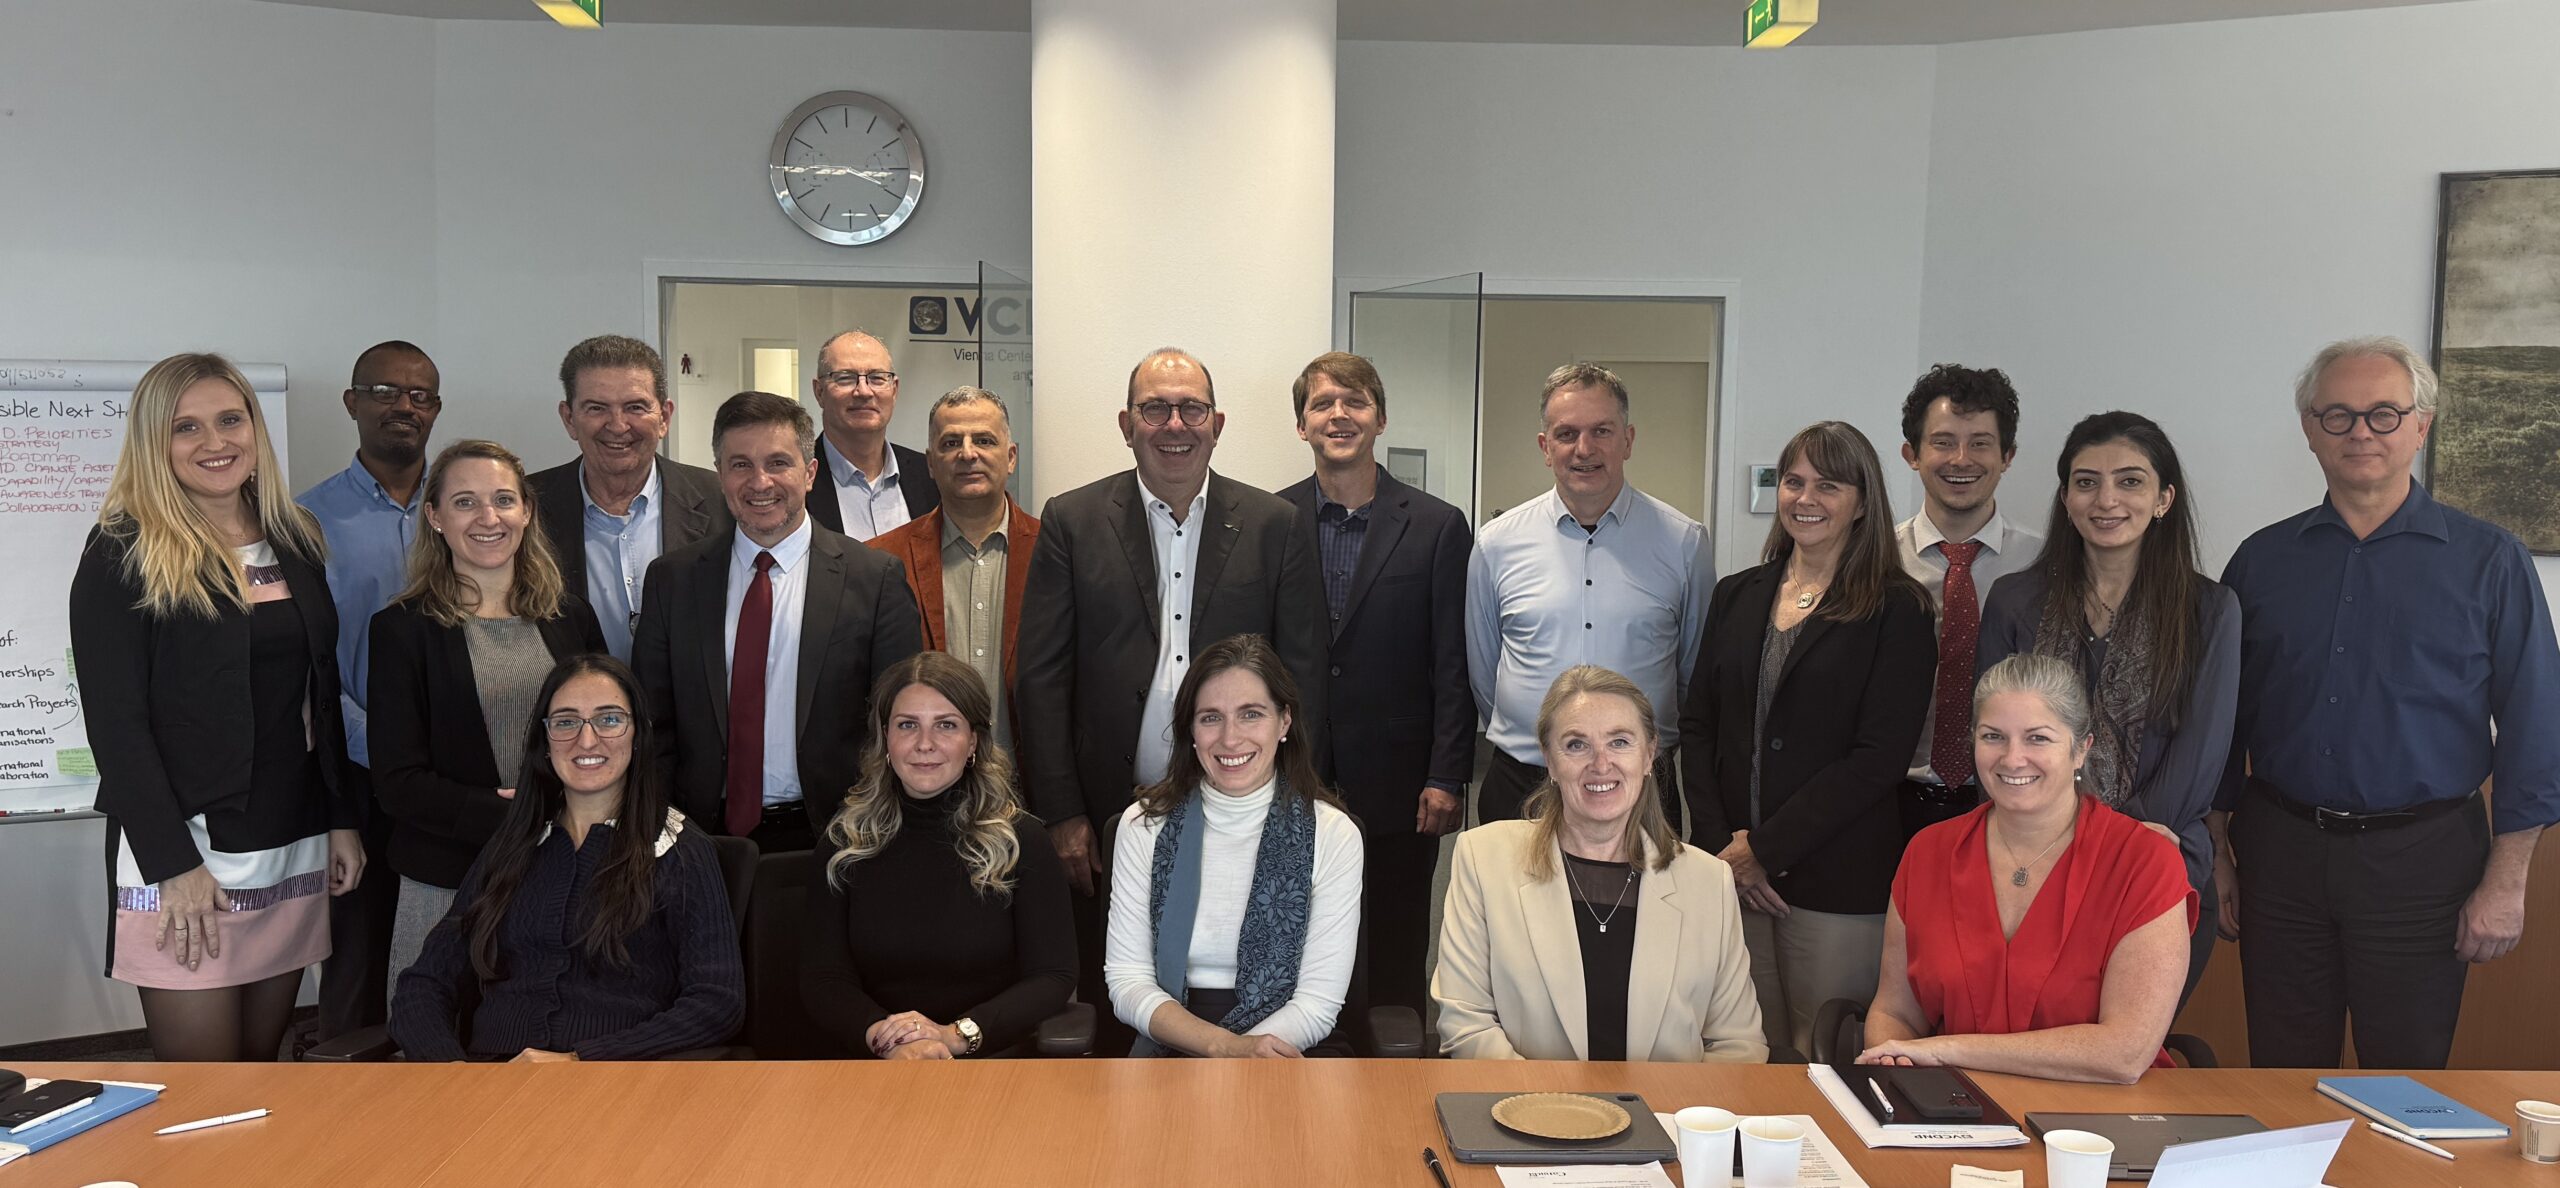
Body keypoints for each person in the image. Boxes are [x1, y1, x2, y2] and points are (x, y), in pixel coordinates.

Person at [2213, 336, 2560, 1070]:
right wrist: (2215, 847)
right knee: (2281, 1072)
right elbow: (2222, 720)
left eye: (2384, 413)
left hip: (2424, 864)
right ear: (2310, 430)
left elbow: (2537, 724)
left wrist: (2508, 880)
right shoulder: (2260, 562)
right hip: (2280, 856)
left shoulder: (2490, 561)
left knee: (2403, 1083)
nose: (2361, 432)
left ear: (2421, 425)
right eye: (2337, 415)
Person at [1015, 347, 1330, 1050]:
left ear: (1217, 423)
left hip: (1242, 798)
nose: (1175, 424)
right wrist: (1061, 812)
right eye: (1155, 408)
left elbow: (1300, 674)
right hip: (1106, 803)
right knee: (1118, 991)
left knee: (1248, 969)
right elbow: (1041, 676)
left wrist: (1300, 795)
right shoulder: (1072, 519)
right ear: (1127, 424)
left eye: (1191, 408)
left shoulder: (1274, 523)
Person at [71, 352, 366, 1060]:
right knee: (204, 1086)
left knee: (261, 1070)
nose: (215, 442)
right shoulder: (123, 551)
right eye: (187, 427)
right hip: (187, 844)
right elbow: (116, 725)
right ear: (155, 442)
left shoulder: (294, 536)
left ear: (254, 427)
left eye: (231, 420)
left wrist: (340, 818)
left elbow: (319, 693)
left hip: (291, 836)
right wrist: (173, 864)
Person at [1681, 421, 1935, 1058]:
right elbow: (1699, 726)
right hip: (1730, 875)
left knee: (1827, 1053)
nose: (1806, 498)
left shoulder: (1897, 608)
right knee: (1742, 1049)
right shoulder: (1737, 594)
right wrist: (1722, 849)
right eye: (1794, 482)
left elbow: (1879, 758)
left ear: (1862, 502)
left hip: (1835, 881)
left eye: (1829, 485)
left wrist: (1766, 850)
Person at [1978, 412, 2237, 1008]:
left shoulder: (2210, 610)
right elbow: (1993, 739)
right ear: (2065, 497)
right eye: (2086, 482)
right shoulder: (2015, 601)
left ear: (2164, 498)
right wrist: (2057, 846)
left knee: (2125, 1049)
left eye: (2130, 481)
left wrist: (2109, 850)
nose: (2106, 500)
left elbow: (2199, 759)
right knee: (2025, 1040)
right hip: (2027, 871)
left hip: (2158, 864)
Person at [1859, 654, 2196, 1084]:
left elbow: (2124, 1054)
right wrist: (1899, 1071)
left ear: (2081, 750)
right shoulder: (1928, 852)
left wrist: (1947, 1051)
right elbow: (1895, 1012)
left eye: (2037, 738)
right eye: (1993, 736)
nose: (2013, 758)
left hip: (2100, 1115)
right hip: (1955, 1107)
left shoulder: (2145, 862)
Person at [390, 655, 744, 1061]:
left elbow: (717, 1002)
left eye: (609, 719)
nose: (587, 740)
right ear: (545, 741)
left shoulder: (680, 849)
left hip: (617, 1082)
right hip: (492, 1082)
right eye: (566, 722)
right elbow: (424, 983)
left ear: (638, 735)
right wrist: (453, 1073)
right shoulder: (511, 844)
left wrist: (579, 1061)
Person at [632, 390, 923, 852]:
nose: (759, 482)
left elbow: (899, 719)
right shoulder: (673, 581)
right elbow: (652, 723)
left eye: (778, 463)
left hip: (833, 837)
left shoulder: (874, 579)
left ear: (810, 473)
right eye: (740, 464)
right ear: (720, 474)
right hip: (699, 839)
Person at [1435, 666, 1766, 1063]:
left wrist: (1670, 1105)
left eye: (1620, 742)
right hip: (1526, 1099)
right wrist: (1552, 1101)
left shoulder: (1709, 880)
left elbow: (1738, 1044)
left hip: (1672, 1104)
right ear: (1549, 760)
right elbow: (1466, 1023)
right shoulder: (1483, 858)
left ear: (1649, 754)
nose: (1601, 764)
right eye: (1576, 745)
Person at [1275, 352, 1473, 1012]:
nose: (1339, 415)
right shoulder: (1270, 520)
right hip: (1294, 775)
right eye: (1322, 403)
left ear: (1380, 419)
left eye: (1355, 402)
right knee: (1295, 944)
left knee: (1394, 950)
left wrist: (1446, 775)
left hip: (1402, 786)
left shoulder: (1438, 526)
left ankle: (1392, 1067)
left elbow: (1453, 662)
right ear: (1301, 425)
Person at [367, 440, 608, 981]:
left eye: (503, 500)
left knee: (560, 1019)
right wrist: (517, 815)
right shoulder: (401, 630)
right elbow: (398, 782)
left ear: (526, 511)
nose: (488, 517)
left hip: (564, 868)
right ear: (435, 517)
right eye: (465, 502)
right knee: (438, 1022)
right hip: (450, 877)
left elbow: (605, 737)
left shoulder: (571, 618)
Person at [1469, 363, 1712, 824]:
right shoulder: (1496, 544)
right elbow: (1484, 670)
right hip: (1524, 781)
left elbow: (1693, 671)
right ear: (1545, 447)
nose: (1584, 449)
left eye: (1602, 430)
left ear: (1628, 440)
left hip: (1639, 785)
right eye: (1567, 434)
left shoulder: (1684, 543)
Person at [802, 652, 1075, 1059]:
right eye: (907, 725)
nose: (924, 744)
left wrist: (955, 1035)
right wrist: (887, 1039)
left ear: (974, 742)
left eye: (946, 725)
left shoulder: (1022, 840)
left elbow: (1053, 975)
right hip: (877, 1063)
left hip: (992, 1062)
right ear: (885, 738)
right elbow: (824, 980)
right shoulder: (844, 843)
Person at [1103, 634, 1362, 1058]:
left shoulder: (1334, 834)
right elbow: (1128, 981)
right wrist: (1224, 1049)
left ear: (1284, 722)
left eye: (1251, 714)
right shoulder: (1143, 825)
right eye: (1211, 718)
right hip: (1172, 1035)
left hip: (1289, 1044)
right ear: (1190, 730)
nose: (1230, 738)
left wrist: (1245, 1054)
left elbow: (1317, 1004)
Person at [296, 339, 442, 1038]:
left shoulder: (465, 507)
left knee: (451, 947)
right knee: (357, 953)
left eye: (419, 395)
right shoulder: (305, 522)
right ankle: (346, 1088)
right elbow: (308, 663)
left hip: (455, 773)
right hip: (357, 770)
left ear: (436, 410)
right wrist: (381, 745)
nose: (403, 406)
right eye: (385, 392)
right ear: (352, 403)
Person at [1893, 364, 2043, 839]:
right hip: (1886, 802)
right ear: (1912, 454)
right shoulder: (1875, 561)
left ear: (2007, 456)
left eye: (1980, 443)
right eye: (1943, 442)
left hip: (2008, 804)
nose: (1961, 459)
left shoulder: (2044, 565)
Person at [528, 334, 732, 662]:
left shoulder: (722, 500)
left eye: (635, 407)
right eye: (597, 408)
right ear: (569, 419)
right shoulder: (526, 507)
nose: (618, 426)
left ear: (664, 417)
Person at [864, 387, 1040, 754]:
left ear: (1011, 457)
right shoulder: (881, 559)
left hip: (1030, 779)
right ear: (930, 463)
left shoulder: (1054, 551)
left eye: (984, 440)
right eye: (951, 443)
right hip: (923, 777)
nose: (968, 454)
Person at [807, 329, 937, 540]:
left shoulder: (931, 476)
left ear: (894, 390)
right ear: (819, 391)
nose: (864, 391)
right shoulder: (794, 480)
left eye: (877, 378)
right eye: (845, 378)